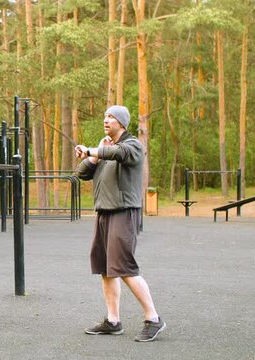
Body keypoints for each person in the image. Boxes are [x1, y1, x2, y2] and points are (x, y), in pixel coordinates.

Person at [74, 105, 166, 342]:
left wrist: (97, 149)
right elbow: (82, 173)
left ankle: (153, 318)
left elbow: (120, 153)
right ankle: (113, 321)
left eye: (111, 117)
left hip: (123, 213)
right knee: (106, 268)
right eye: (105, 116)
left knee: (124, 267)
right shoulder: (106, 148)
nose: (106, 120)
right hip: (104, 213)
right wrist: (94, 154)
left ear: (122, 123)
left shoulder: (133, 145)